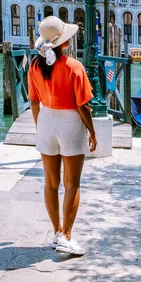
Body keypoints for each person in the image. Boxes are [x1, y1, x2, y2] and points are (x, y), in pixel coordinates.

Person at [28, 16, 97, 256]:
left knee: (50, 183)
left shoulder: (34, 66)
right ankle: (66, 235)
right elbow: (83, 106)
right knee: (72, 184)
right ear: (64, 43)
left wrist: (41, 126)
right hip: (70, 124)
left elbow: (34, 101)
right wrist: (92, 130)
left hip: (46, 121)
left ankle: (57, 231)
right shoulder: (74, 67)